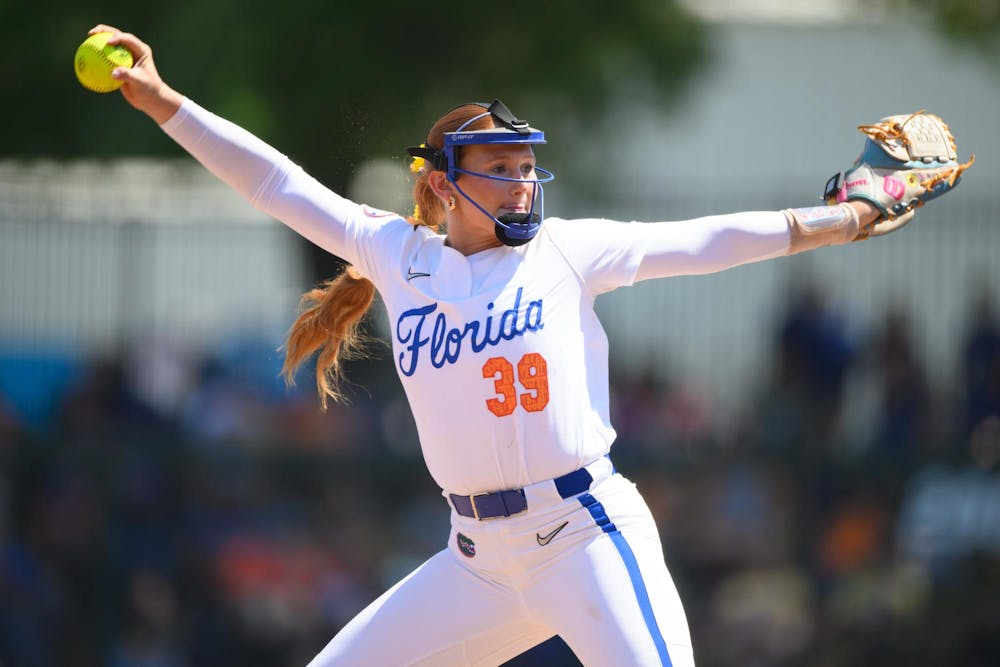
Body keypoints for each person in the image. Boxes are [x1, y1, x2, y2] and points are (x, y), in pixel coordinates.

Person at [92, 23, 953, 667]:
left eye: (524, 163)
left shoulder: (564, 250)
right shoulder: (395, 255)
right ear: (441, 183)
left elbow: (708, 238)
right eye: (498, 166)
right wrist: (165, 102)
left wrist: (845, 218)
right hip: (477, 562)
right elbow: (275, 179)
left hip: (586, 534)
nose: (521, 179)